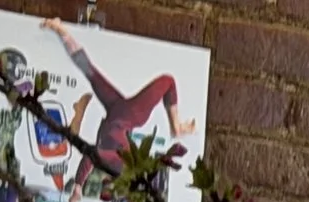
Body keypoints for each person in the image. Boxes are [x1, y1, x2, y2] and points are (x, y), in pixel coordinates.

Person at [44, 20, 197, 169]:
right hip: (129, 115)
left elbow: (89, 158)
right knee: (167, 81)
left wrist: (78, 187)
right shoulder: (120, 156)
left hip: (116, 112)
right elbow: (93, 157)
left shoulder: (107, 155)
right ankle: (176, 127)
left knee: (90, 71)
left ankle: (62, 32)